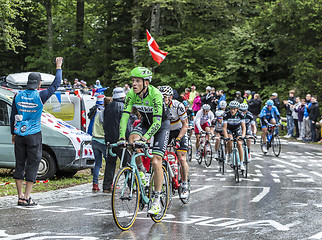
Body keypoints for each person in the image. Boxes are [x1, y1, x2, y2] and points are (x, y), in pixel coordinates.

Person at [10, 57, 63, 206]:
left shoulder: (17, 95)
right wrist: (58, 66)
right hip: (33, 135)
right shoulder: (40, 96)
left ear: (28, 83)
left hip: (19, 134)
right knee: (33, 165)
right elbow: (56, 85)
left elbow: (12, 115)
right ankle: (27, 197)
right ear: (39, 84)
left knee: (19, 164)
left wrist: (12, 133)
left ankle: (19, 196)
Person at [118, 67, 170, 215]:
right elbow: (124, 117)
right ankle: (141, 171)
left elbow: (157, 123)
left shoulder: (156, 95)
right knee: (131, 140)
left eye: (137, 81)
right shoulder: (131, 94)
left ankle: (156, 200)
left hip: (161, 125)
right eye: (133, 81)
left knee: (155, 161)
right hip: (145, 122)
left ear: (146, 83)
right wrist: (121, 136)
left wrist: (146, 138)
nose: (134, 84)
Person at [158, 86, 190, 199]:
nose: (163, 99)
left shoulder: (178, 106)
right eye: (161, 97)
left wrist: (178, 139)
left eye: (165, 97)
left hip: (179, 131)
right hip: (165, 130)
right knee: (158, 157)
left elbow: (185, 124)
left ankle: (185, 183)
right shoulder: (158, 104)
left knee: (181, 158)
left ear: (171, 97)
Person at [102, 87, 129, 192]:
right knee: (127, 164)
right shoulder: (124, 107)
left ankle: (106, 186)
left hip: (109, 140)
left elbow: (105, 124)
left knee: (110, 164)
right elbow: (127, 125)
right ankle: (132, 185)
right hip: (121, 140)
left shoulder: (107, 108)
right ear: (123, 96)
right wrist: (129, 139)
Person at [223, 101, 246, 170]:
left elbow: (243, 127)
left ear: (237, 109)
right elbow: (224, 128)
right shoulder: (226, 114)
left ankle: (241, 163)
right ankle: (229, 154)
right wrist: (226, 138)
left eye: (234, 109)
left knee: (239, 143)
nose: (232, 110)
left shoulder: (241, 114)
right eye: (231, 109)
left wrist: (243, 136)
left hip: (237, 129)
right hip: (229, 129)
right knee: (230, 140)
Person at [90, 95, 106, 192]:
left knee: (97, 163)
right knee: (109, 163)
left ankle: (95, 184)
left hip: (94, 140)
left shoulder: (94, 111)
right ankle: (110, 183)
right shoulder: (103, 112)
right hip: (102, 140)